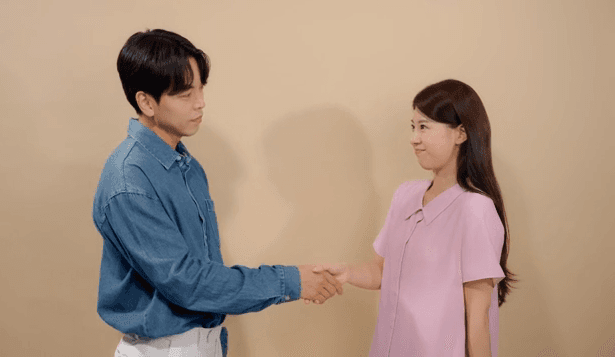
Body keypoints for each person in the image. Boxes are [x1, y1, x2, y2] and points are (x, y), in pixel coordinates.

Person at [91, 29, 343, 357]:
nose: (200, 102)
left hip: (204, 344)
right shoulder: (128, 180)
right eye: (185, 94)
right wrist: (289, 282)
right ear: (146, 102)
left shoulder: (186, 164)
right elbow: (187, 282)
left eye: (201, 88)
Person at [310, 79, 517, 356]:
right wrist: (346, 273)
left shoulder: (474, 209)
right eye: (413, 127)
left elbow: (478, 320)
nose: (413, 138)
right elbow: (383, 271)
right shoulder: (405, 196)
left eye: (424, 127)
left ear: (461, 133)